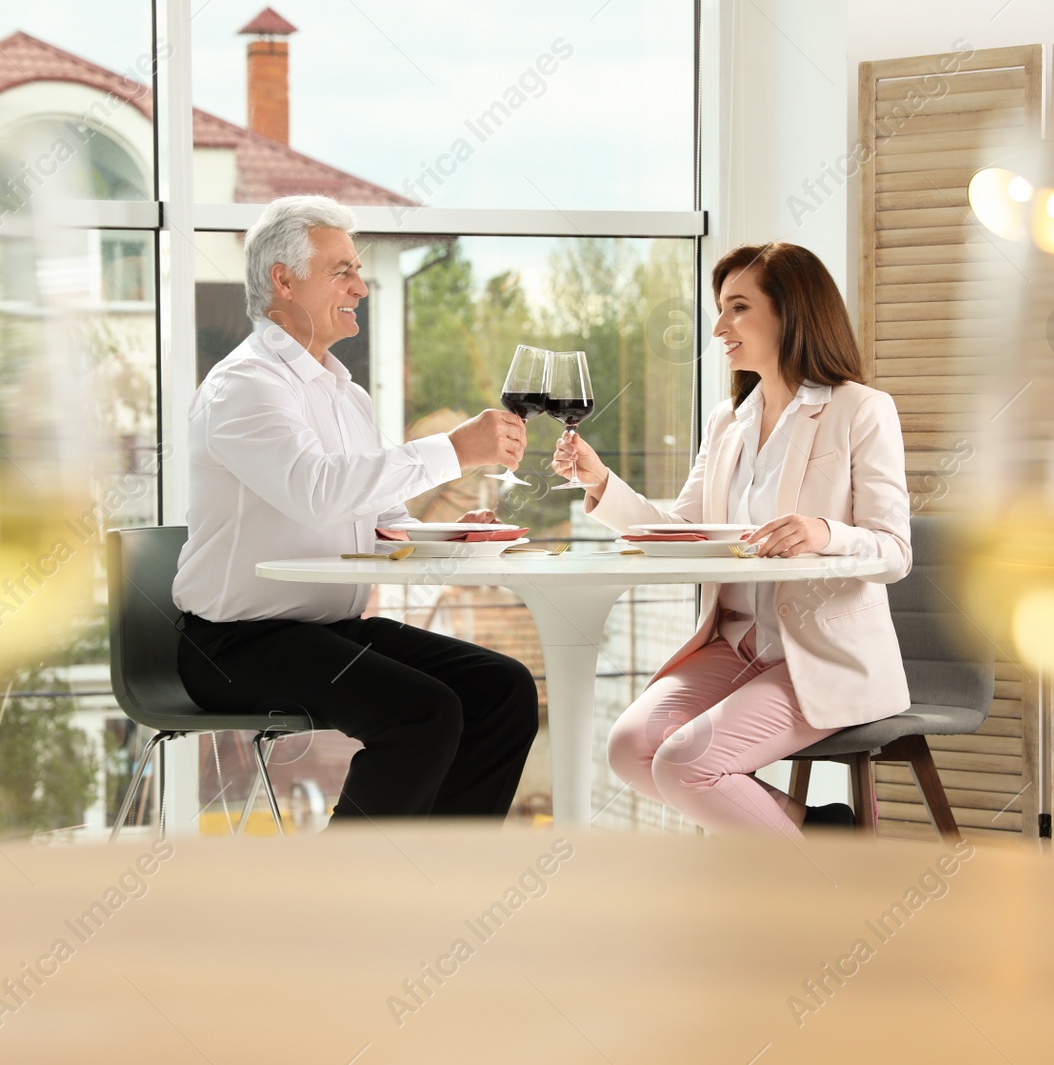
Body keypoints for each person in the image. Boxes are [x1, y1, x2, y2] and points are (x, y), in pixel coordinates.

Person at [173, 195, 540, 822]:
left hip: (324, 631)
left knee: (501, 689)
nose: (361, 287)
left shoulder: (347, 394)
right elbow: (314, 491)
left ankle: (443, 882)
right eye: (342, 270)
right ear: (282, 281)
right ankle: (344, 902)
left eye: (359, 270)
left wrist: (450, 534)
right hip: (235, 645)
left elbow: (380, 518)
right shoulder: (245, 386)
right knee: (424, 711)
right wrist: (453, 449)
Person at [552, 242, 911, 836]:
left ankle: (807, 905)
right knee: (629, 750)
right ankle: (815, 830)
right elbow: (680, 533)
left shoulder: (861, 410)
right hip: (736, 645)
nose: (719, 327)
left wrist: (822, 532)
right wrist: (600, 481)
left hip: (817, 654)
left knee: (686, 763)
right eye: (721, 308)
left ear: (791, 313)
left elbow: (894, 550)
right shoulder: (729, 420)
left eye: (738, 308)